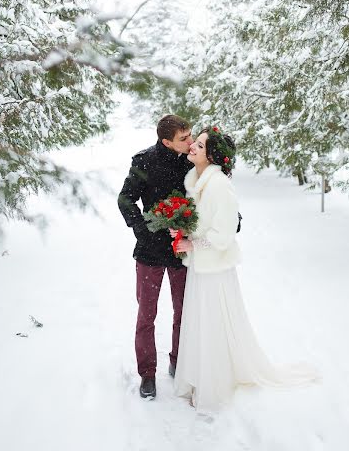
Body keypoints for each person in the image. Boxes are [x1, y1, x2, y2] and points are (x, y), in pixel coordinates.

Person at [173, 127, 319, 413]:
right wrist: (181, 230)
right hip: (201, 267)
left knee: (213, 325)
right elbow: (203, 222)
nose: (192, 147)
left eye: (200, 146)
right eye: (195, 143)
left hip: (215, 269)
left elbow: (224, 234)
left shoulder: (219, 186)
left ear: (212, 156)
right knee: (200, 322)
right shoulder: (198, 181)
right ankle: (201, 379)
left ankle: (213, 387)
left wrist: (193, 244)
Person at [118, 115, 193, 399]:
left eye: (190, 135)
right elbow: (125, 198)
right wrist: (142, 230)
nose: (190, 141)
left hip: (181, 248)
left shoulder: (192, 159)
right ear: (166, 141)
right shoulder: (144, 161)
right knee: (147, 315)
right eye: (183, 138)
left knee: (184, 312)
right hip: (149, 252)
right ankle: (147, 374)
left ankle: (178, 362)